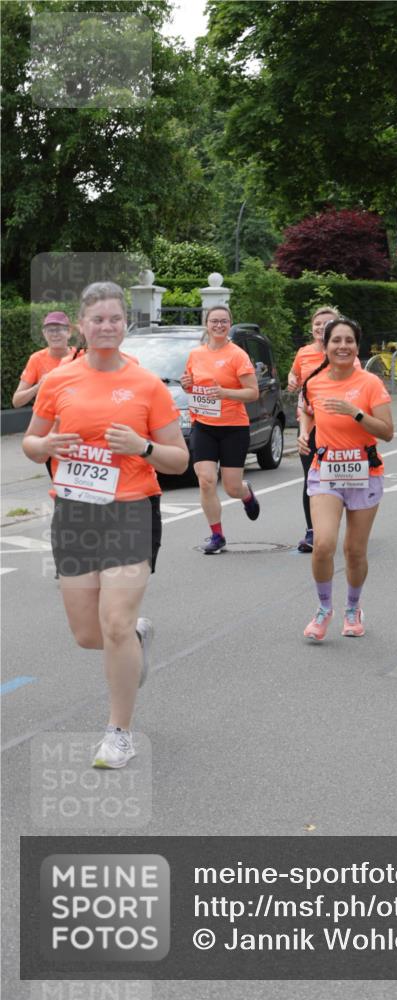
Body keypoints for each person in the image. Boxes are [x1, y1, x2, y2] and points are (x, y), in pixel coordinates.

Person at [22, 281, 188, 768]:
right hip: (74, 513)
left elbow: (178, 459)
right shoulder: (58, 381)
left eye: (116, 319)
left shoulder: (146, 385)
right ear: (81, 325)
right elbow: (30, 442)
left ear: (125, 324)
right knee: (89, 635)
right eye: (98, 319)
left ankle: (119, 732)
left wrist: (143, 448)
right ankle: (137, 638)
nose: (107, 326)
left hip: (130, 510)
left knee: (112, 624)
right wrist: (45, 448)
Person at [298, 318, 393, 641]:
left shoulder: (370, 384)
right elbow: (308, 410)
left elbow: (387, 432)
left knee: (354, 550)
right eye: (336, 340)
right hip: (326, 470)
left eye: (349, 341)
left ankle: (353, 608)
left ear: (357, 347)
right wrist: (304, 433)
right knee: (323, 544)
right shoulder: (315, 382)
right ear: (325, 346)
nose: (342, 346)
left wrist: (355, 412)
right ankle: (324, 609)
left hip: (364, 471)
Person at [180, 305, 260, 553]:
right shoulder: (196, 354)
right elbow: (190, 384)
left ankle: (246, 494)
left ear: (230, 325)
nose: (218, 325)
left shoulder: (237, 355)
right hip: (203, 425)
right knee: (205, 480)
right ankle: (217, 536)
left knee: (231, 487)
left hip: (233, 427)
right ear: (207, 324)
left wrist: (225, 393)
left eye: (223, 321)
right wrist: (186, 385)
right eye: (214, 321)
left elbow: (252, 393)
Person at [287, 306, 339, 552]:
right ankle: (312, 531)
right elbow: (295, 375)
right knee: (311, 478)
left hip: (338, 427)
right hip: (308, 424)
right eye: (318, 324)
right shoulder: (304, 353)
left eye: (327, 324)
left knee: (336, 478)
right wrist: (291, 379)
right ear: (312, 328)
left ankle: (340, 519)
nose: (321, 328)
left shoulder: (344, 353)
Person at [12, 311, 74, 409]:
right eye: (50, 330)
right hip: (46, 420)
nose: (55, 334)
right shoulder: (36, 359)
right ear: (44, 333)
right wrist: (38, 386)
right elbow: (16, 401)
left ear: (69, 332)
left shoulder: (82, 356)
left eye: (59, 329)